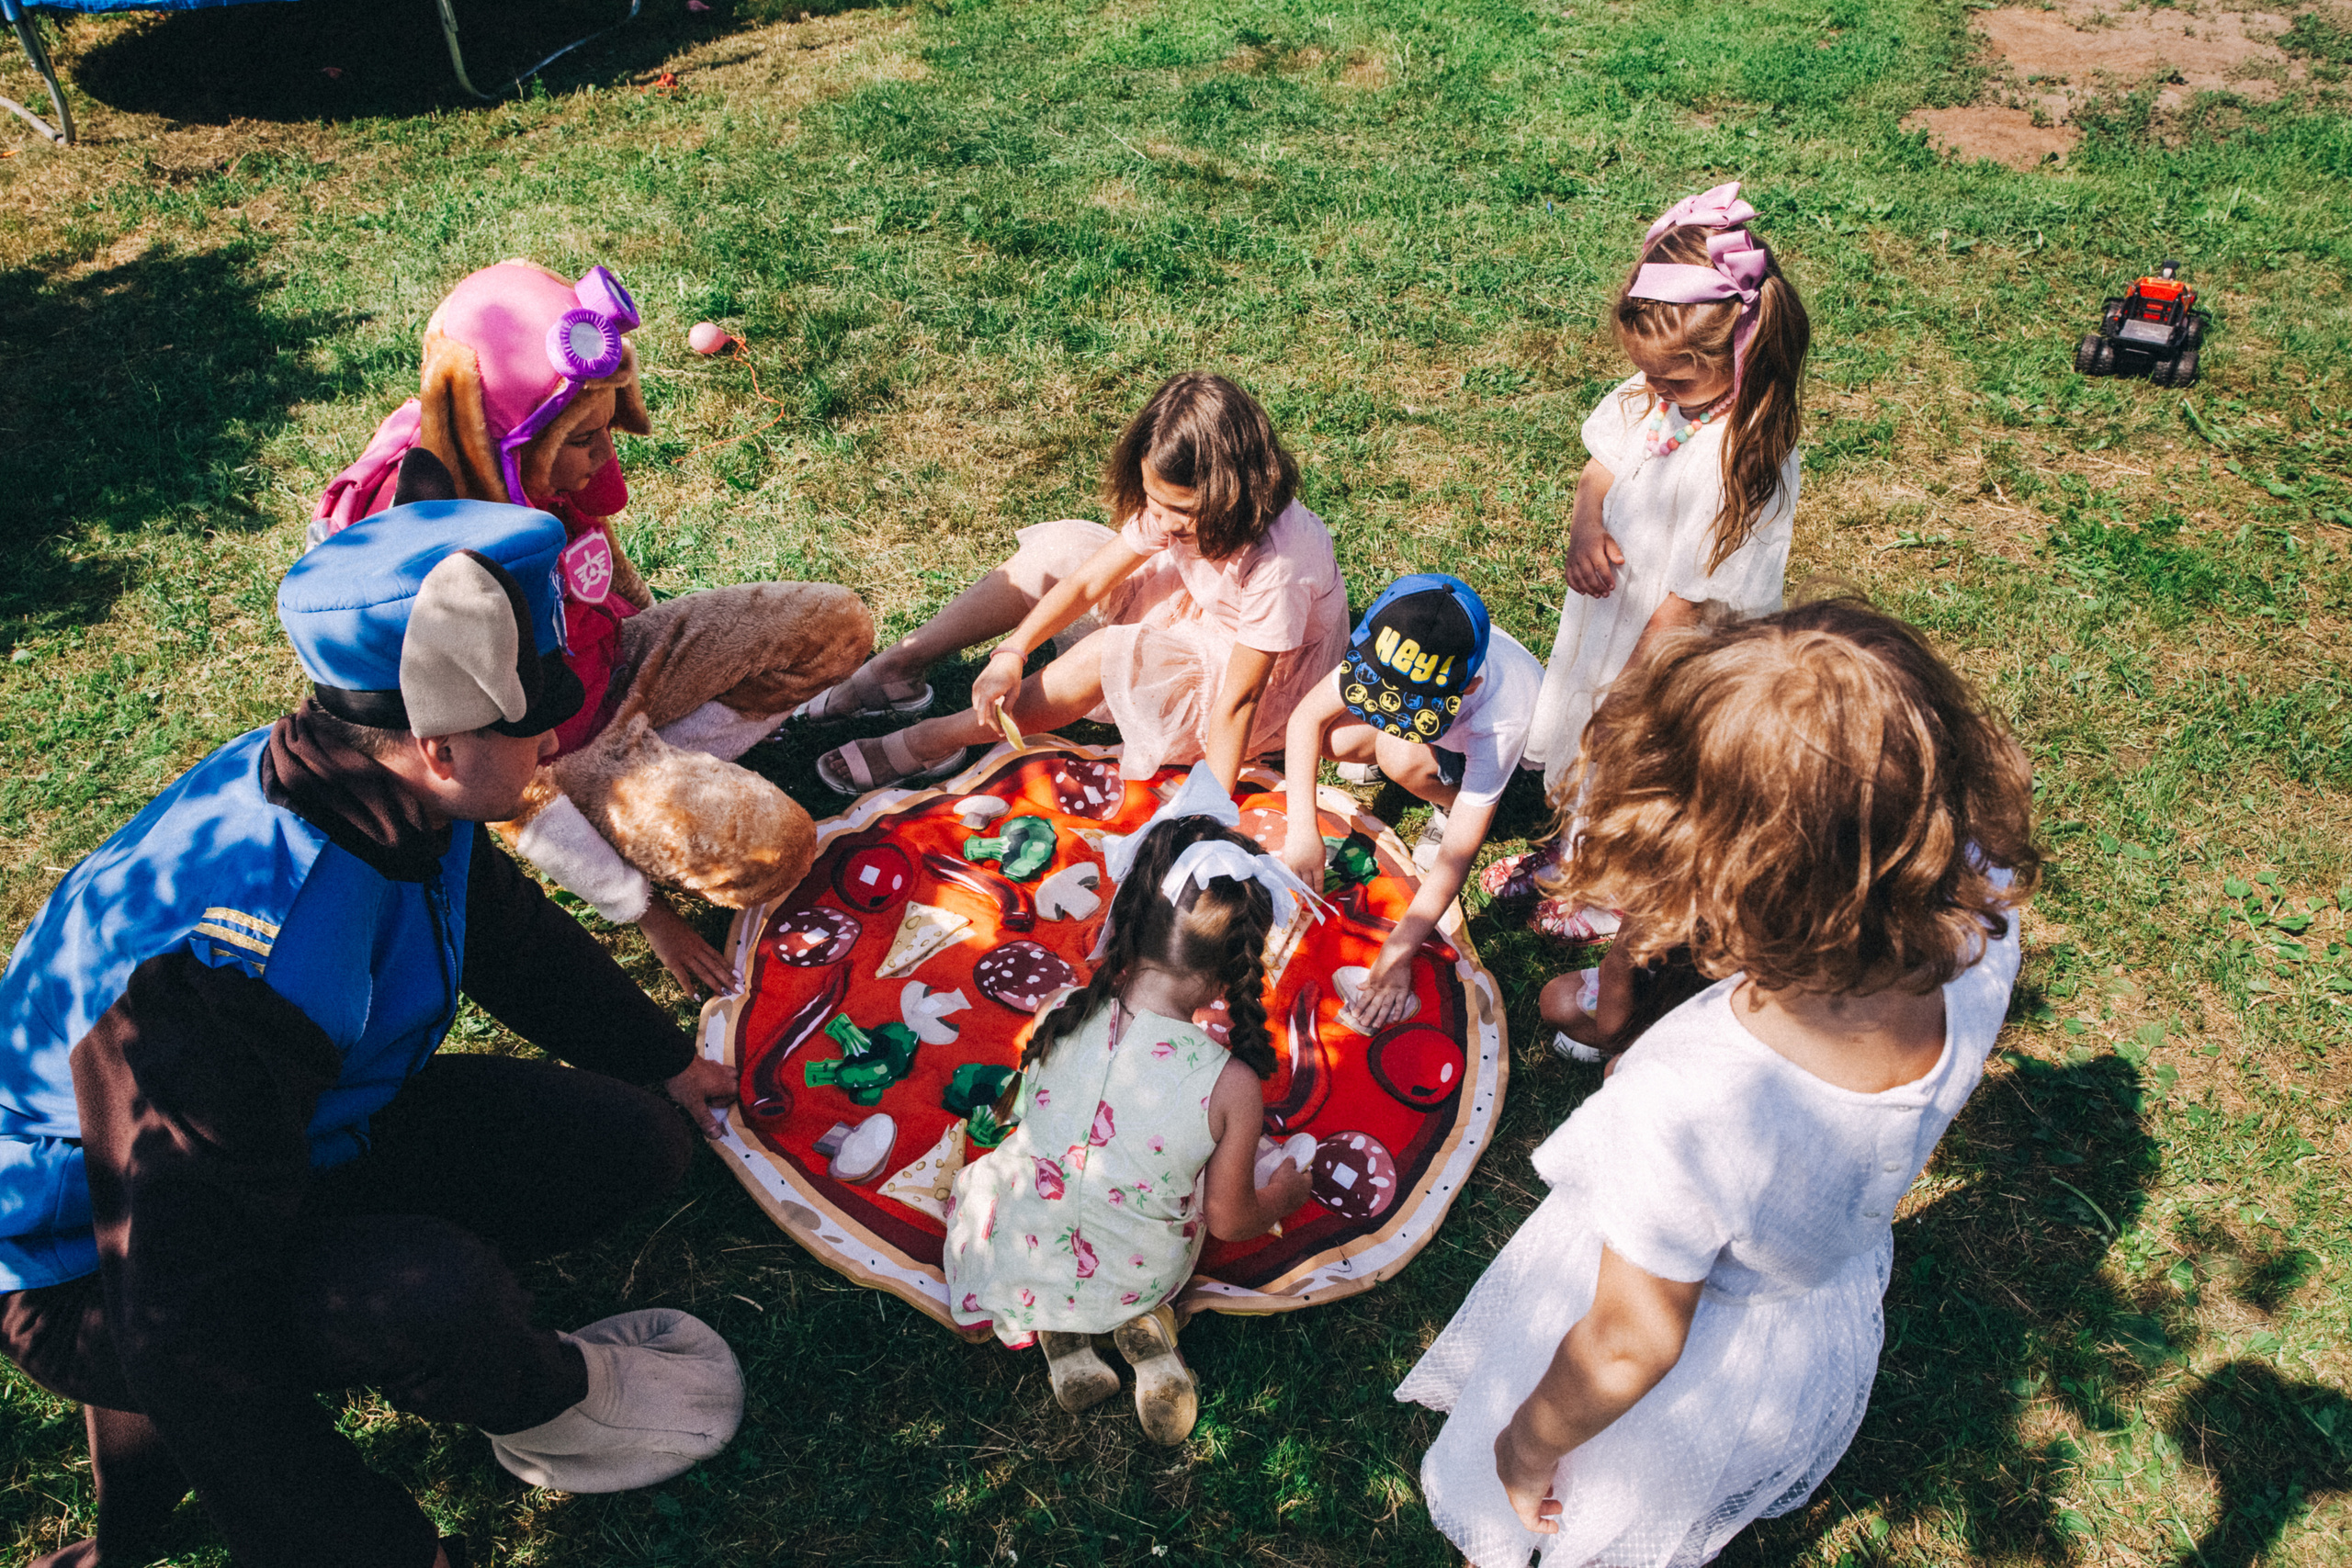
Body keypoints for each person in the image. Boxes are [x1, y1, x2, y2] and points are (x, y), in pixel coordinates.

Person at [0, 502, 750, 1568]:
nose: (551, 738)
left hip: (284, 1143)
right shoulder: (232, 975)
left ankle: (423, 1310)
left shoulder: (376, 780)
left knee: (629, 1141)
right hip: (93, 1268)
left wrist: (664, 1061)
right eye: (532, 716)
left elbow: (504, 935)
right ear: (441, 749)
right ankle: (517, 1388)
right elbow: (180, 1323)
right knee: (430, 1296)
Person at [1396, 597, 2041, 1568]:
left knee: (1582, 1503)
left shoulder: (1695, 1100)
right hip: (1804, 1298)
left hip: (1668, 1352)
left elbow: (1625, 1345)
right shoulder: (1977, 925)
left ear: (1727, 883)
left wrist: (1527, 1445)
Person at [313, 259, 875, 1000]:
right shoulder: (434, 567)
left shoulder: (518, 469)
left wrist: (668, 647)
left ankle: (663, 760)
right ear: (510, 440)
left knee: (837, 626)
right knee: (776, 848)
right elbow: (512, 786)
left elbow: (599, 567)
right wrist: (642, 910)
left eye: (605, 430)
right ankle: (622, 798)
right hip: (558, 747)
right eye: (583, 440)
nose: (602, 459)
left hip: (615, 661)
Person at [942, 774, 1322, 1444]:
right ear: (1234, 972)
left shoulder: (1062, 1010)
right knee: (1151, 1212)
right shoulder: (1229, 1084)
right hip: (1139, 1272)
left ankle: (1063, 1341)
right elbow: (1230, 1218)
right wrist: (1283, 1198)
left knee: (1007, 1179)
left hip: (1013, 1256)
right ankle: (1148, 1334)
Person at [1496, 183, 1811, 945]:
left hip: (1670, 647)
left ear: (1737, 352)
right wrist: (1585, 521)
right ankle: (1576, 842)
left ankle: (1615, 889)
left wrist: (1630, 691)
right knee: (1589, 745)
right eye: (1649, 374)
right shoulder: (1658, 394)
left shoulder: (1743, 461)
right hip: (1616, 616)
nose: (1653, 389)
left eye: (1672, 379)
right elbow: (1600, 464)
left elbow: (1691, 602)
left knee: (1639, 760)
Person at [806, 372, 1349, 795]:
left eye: (1178, 509)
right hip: (1199, 613)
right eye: (1151, 498)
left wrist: (1211, 810)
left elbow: (1240, 699)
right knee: (1061, 551)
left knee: (1110, 652)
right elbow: (1088, 582)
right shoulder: (1187, 514)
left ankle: (934, 739)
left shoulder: (1279, 565)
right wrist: (1013, 652)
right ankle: (899, 667)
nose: (1159, 520)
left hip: (1265, 689)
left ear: (1231, 493)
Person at [1278, 574, 1544, 1030]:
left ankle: (1443, 798)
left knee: (1398, 754)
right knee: (1336, 738)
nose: (1387, 714)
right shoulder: (1394, 641)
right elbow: (1306, 718)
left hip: (1475, 748)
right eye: (1380, 699)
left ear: (1469, 689)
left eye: (1407, 712)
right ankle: (1407, 752)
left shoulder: (1502, 720)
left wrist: (1399, 952)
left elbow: (1456, 857)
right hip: (1448, 726)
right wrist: (1302, 828)